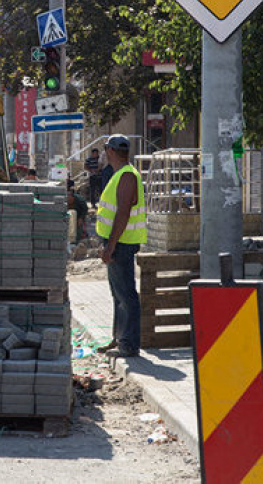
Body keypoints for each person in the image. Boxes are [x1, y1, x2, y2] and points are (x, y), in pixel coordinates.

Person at [96, 134, 147, 358]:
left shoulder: (127, 176)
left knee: (126, 295)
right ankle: (119, 339)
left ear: (110, 152)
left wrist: (110, 247)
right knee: (118, 295)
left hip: (122, 243)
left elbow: (123, 213)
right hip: (118, 241)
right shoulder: (121, 174)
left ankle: (128, 344)